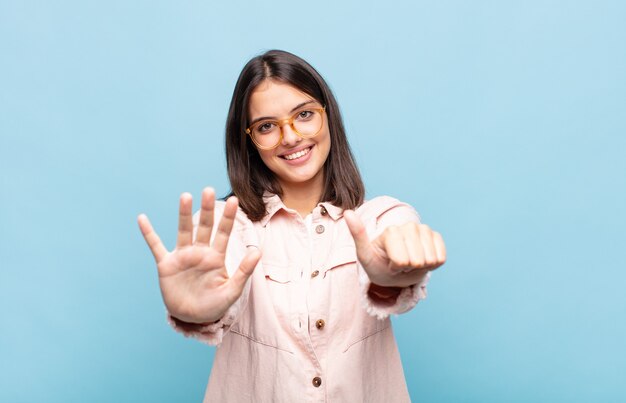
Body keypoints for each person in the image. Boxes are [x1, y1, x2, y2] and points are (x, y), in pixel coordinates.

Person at [138, 50, 446, 403]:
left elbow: (395, 242)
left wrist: (393, 273)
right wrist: (198, 309)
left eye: (304, 115)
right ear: (249, 140)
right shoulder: (230, 228)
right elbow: (213, 271)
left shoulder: (379, 218)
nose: (290, 137)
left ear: (328, 116)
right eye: (267, 126)